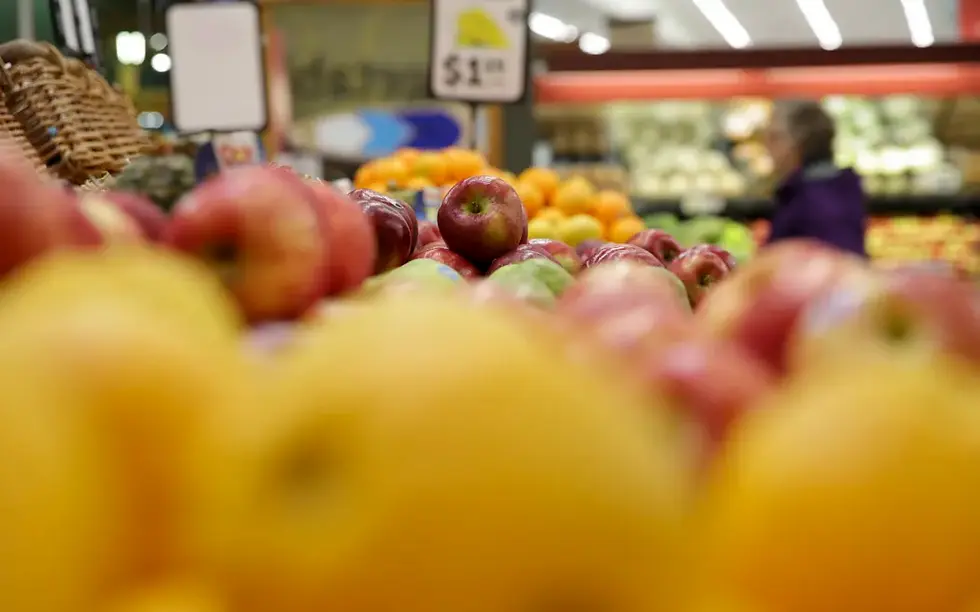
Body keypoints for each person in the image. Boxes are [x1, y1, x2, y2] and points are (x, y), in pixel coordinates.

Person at [764, 100, 867, 256]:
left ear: (799, 142)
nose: (767, 147)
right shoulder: (833, 189)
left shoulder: (815, 200)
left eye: (775, 137)